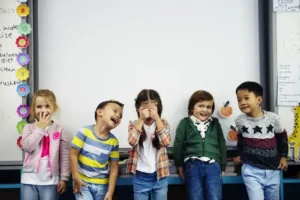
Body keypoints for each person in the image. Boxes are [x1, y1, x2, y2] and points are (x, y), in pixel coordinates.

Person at [234, 81, 288, 200]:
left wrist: (283, 157)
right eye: (239, 100)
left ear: (258, 100)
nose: (242, 102)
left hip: (273, 169)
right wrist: (239, 154)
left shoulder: (273, 118)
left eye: (246, 98)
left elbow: (282, 136)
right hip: (251, 170)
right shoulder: (239, 120)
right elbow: (241, 138)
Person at [174, 90, 227, 200]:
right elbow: (178, 144)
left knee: (215, 196)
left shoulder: (215, 123)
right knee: (195, 196)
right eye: (201, 106)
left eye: (208, 107)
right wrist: (179, 165)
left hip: (213, 166)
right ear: (192, 108)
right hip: (192, 165)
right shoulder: (185, 123)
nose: (205, 110)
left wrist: (223, 166)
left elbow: (222, 144)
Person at [21, 89, 70, 200]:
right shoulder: (28, 128)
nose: (43, 110)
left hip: (51, 181)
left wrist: (64, 178)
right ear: (33, 109)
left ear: (54, 108)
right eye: (39, 107)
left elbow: (65, 157)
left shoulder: (61, 130)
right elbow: (27, 147)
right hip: (29, 179)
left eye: (47, 106)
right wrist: (40, 128)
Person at [70, 100, 124, 200]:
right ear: (100, 112)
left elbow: (114, 169)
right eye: (115, 111)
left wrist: (110, 192)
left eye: (120, 116)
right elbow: (73, 154)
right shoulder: (84, 132)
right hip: (83, 183)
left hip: (102, 186)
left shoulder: (114, 142)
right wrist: (75, 177)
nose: (118, 116)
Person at [127, 89, 171, 200]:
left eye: (152, 109)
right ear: (138, 109)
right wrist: (141, 119)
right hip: (140, 176)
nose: (148, 113)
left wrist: (157, 120)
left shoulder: (163, 123)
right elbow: (132, 141)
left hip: (160, 175)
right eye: (144, 109)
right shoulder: (133, 124)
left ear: (158, 109)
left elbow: (166, 142)